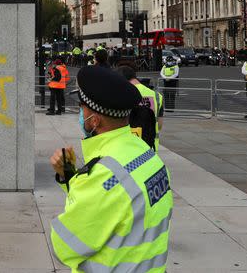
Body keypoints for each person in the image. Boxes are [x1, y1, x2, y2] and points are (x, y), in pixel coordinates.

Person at [49, 66, 172, 272]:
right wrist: (70, 176)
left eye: (82, 108)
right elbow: (116, 208)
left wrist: (80, 182)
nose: (80, 114)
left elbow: (65, 246)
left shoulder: (107, 177)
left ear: (95, 120)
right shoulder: (145, 153)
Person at [117, 65, 165, 151]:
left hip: (129, 145)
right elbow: (160, 124)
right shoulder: (157, 96)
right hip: (151, 146)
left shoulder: (124, 94)